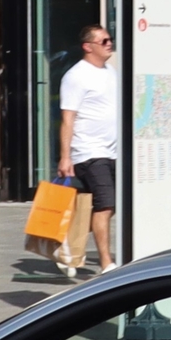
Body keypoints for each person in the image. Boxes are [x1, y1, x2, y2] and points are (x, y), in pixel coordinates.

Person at [57, 25, 120, 275]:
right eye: (104, 40)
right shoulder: (76, 76)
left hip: (113, 151)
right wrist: (65, 156)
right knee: (105, 206)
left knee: (106, 207)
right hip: (90, 152)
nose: (109, 43)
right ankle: (106, 263)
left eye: (109, 39)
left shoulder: (110, 72)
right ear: (88, 46)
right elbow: (68, 118)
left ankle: (65, 242)